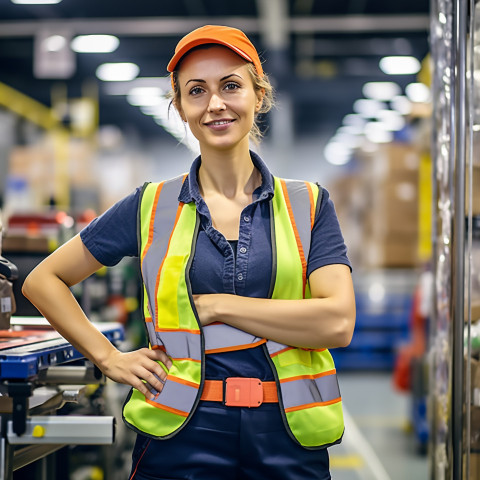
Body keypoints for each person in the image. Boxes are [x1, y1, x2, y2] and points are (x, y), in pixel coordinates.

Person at [22, 25, 355, 480]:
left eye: (231, 86)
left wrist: (220, 306)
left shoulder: (309, 203)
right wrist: (108, 357)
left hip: (287, 433)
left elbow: (337, 322)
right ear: (180, 107)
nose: (215, 104)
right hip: (181, 435)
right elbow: (42, 280)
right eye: (196, 91)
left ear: (258, 95)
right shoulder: (150, 205)